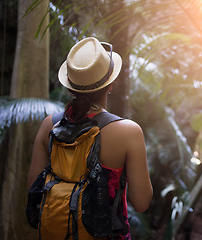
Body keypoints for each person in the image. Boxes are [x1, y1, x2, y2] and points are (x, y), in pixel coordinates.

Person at [27, 37, 153, 239]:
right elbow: (142, 202)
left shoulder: (49, 126)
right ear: (109, 85)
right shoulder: (129, 132)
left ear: (70, 88)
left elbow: (34, 189)